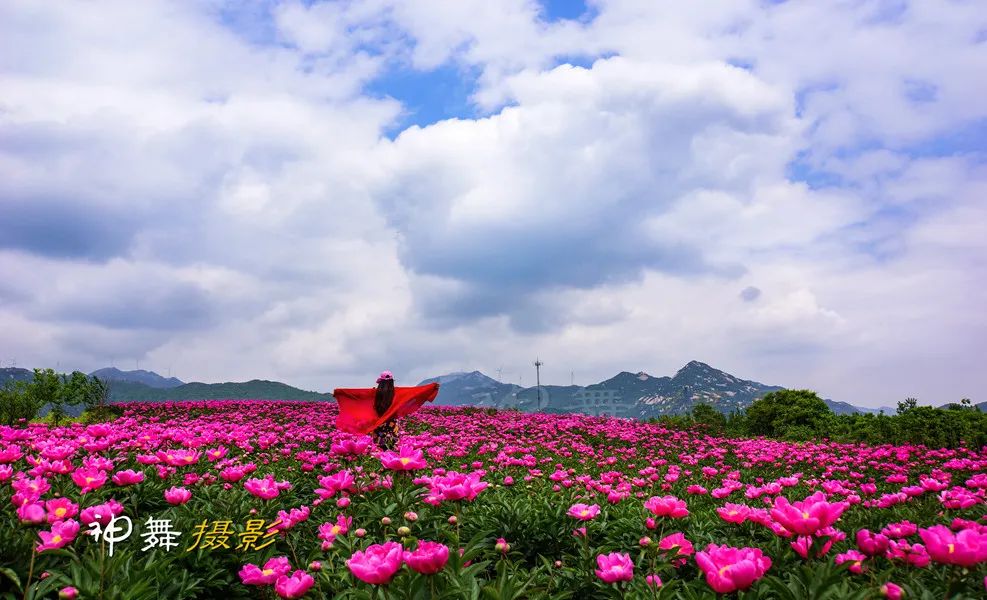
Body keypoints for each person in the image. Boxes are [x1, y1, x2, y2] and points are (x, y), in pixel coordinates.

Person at [333, 371, 440, 450]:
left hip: (378, 424)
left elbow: (357, 394)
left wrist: (339, 392)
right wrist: (432, 387)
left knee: (378, 448)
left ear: (380, 382)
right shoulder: (397, 392)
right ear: (392, 382)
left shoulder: (374, 393)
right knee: (391, 448)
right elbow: (415, 391)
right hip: (392, 425)